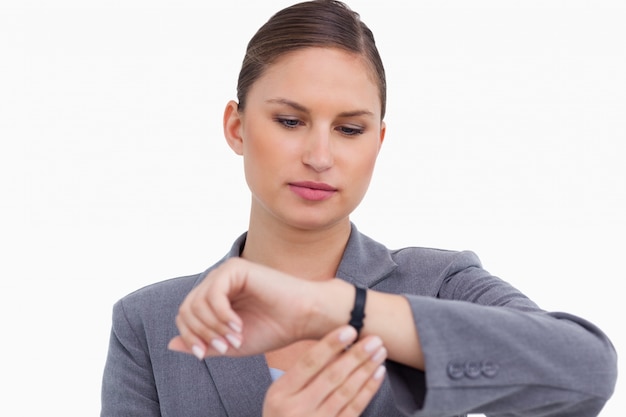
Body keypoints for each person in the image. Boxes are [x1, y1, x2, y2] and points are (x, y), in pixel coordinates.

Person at [100, 1, 617, 416]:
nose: (320, 157)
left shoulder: (437, 282)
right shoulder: (148, 322)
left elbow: (586, 371)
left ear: (378, 141)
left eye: (349, 129)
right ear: (236, 127)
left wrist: (332, 306)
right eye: (289, 121)